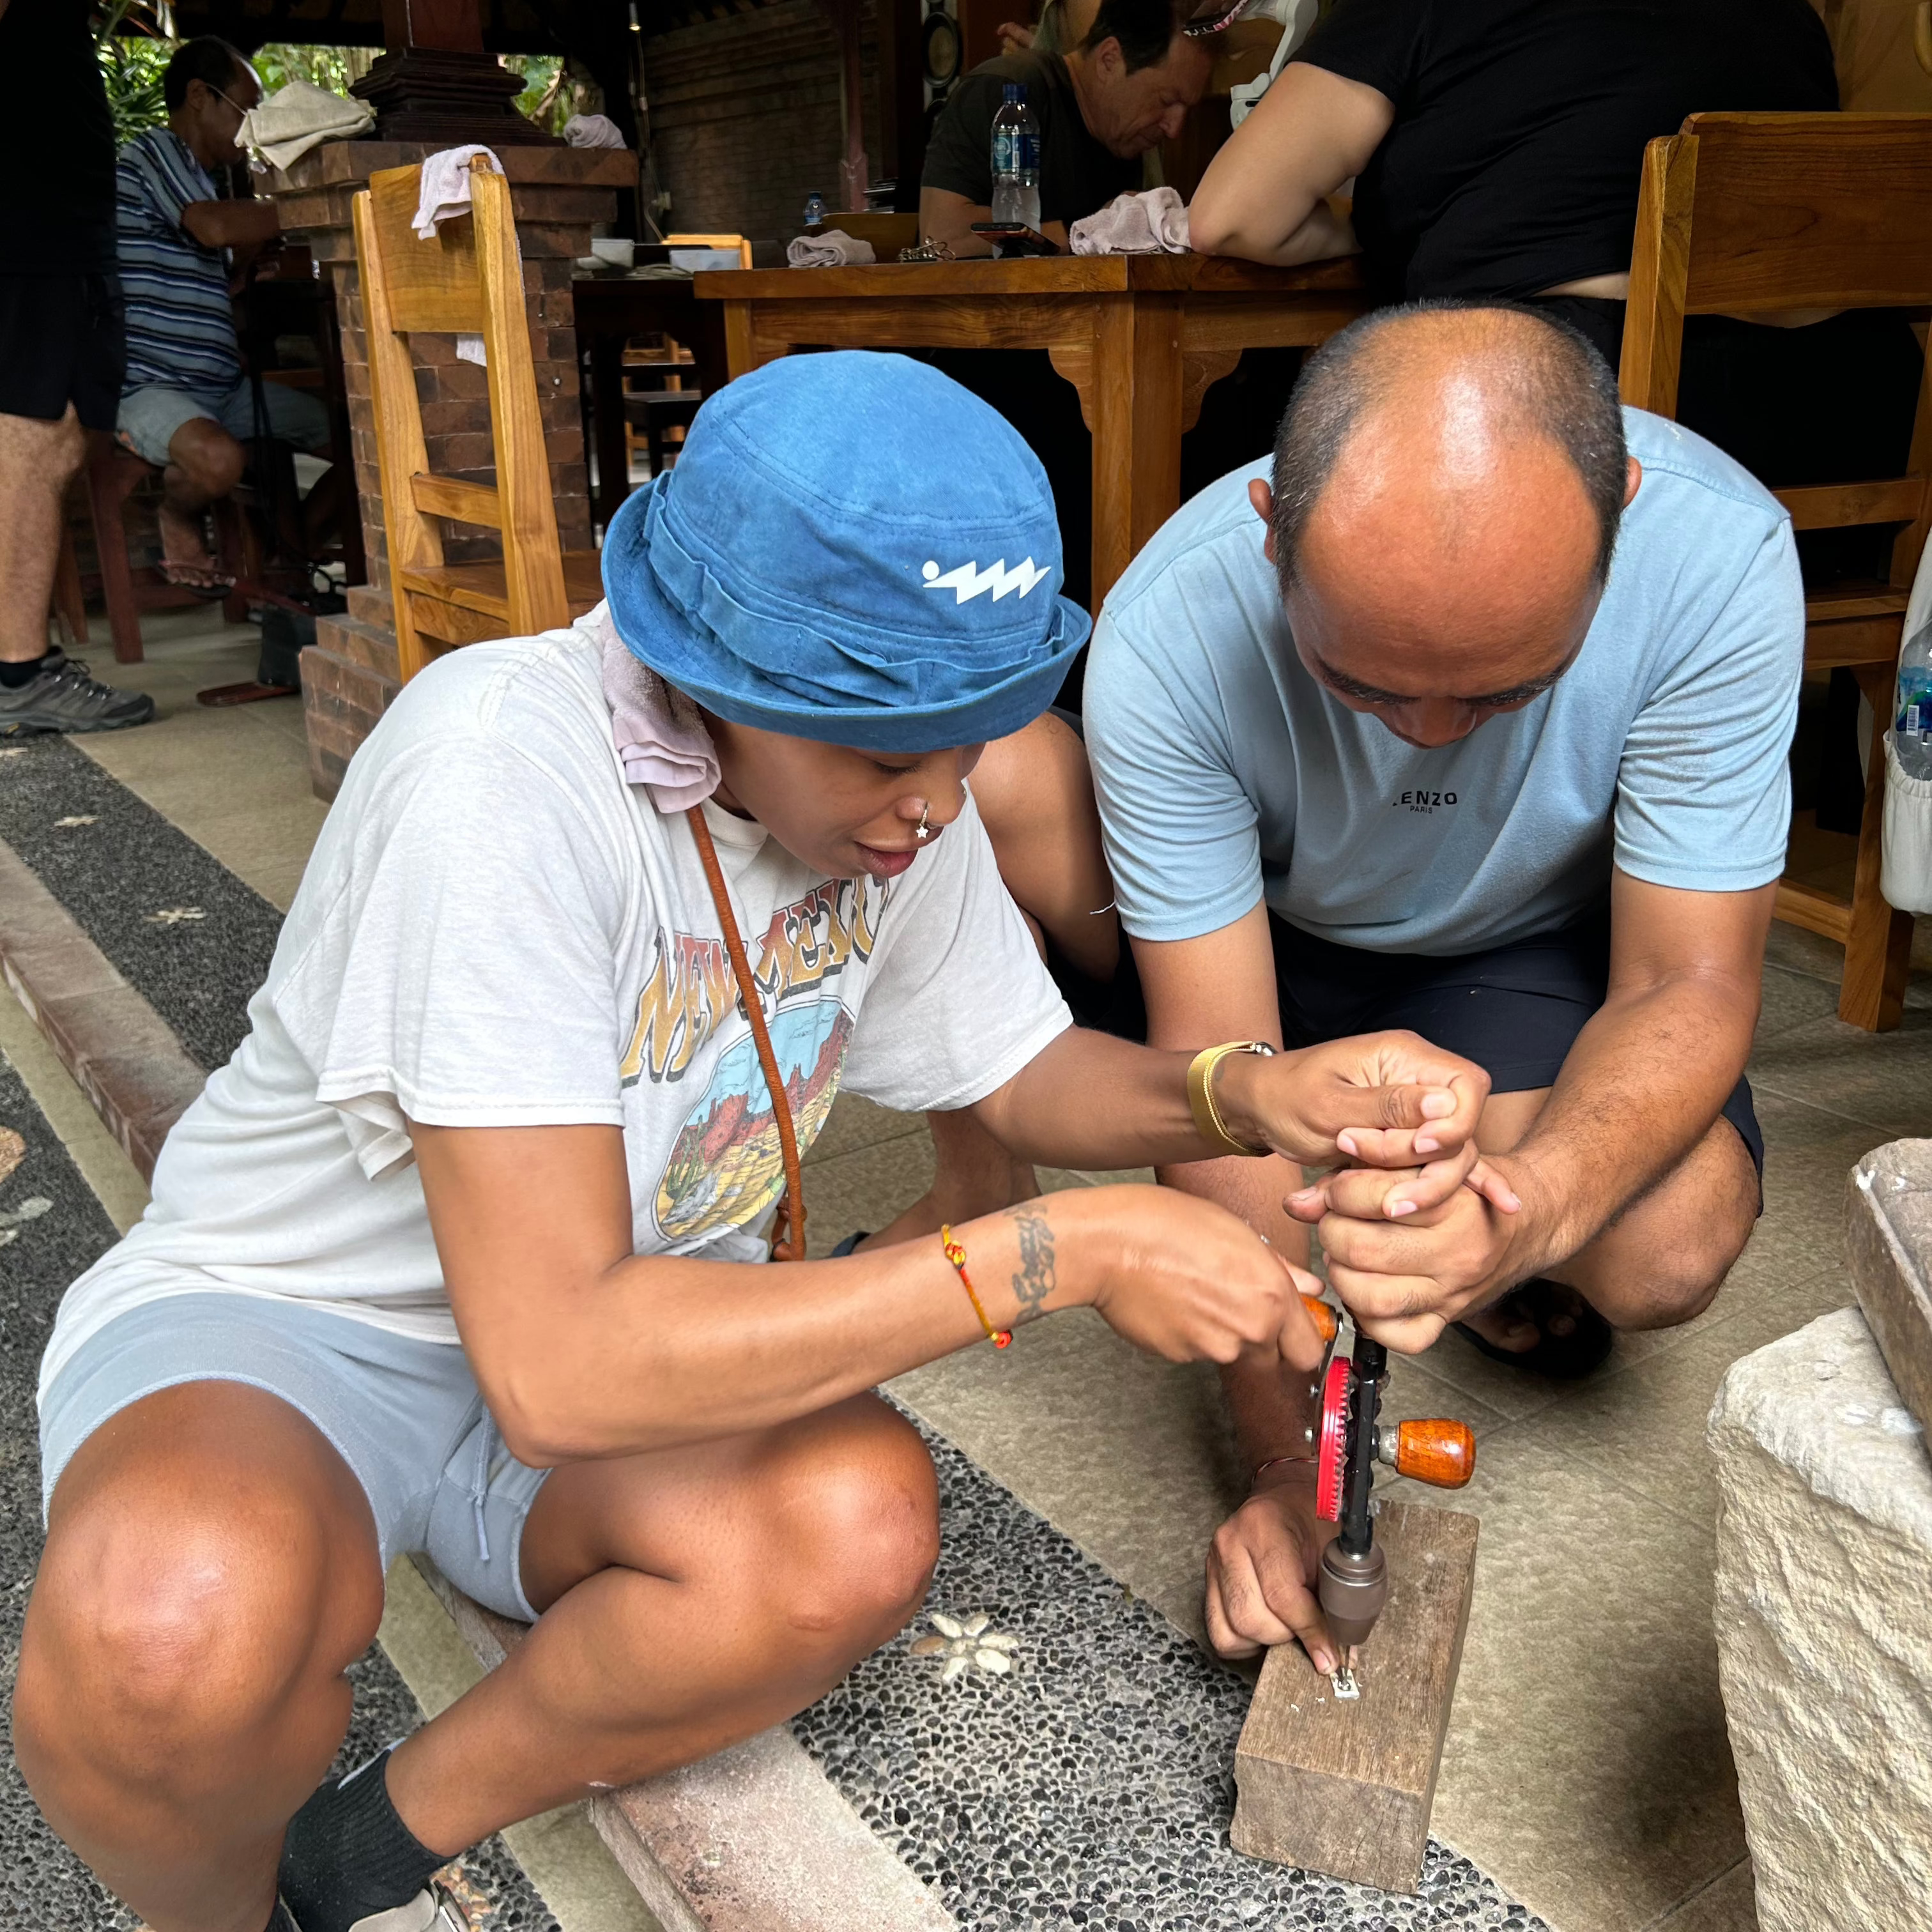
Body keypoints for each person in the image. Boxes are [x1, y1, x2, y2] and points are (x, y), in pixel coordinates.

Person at [13, 353, 1499, 1932]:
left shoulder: (886, 792)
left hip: (598, 1369)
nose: (934, 810)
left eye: (971, 743)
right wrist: (1066, 1249)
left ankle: (367, 1847)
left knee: (847, 1528)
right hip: (306, 1331)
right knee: (169, 1633)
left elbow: (1021, 1068)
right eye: (882, 759)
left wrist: (1247, 1094)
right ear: (720, 676)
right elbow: (563, 1366)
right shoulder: (500, 779)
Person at [958, 302, 1801, 1656]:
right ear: (1274, 528)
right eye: (1361, 685)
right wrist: (1295, 1472)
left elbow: (1687, 983)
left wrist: (1524, 1215)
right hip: (1260, 948)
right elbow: (1223, 1065)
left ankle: (1472, 1254)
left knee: (1668, 1239)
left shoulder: (1720, 557)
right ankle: (1432, 1249)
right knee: (1007, 789)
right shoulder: (1177, 616)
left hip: (1518, 944)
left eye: (1500, 696)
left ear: (1621, 519)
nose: (1424, 739)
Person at [115, 37, 333, 594]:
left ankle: (294, 554)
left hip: (223, 388)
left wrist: (239, 279)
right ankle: (176, 512)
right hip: (149, 387)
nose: (251, 124)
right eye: (244, 108)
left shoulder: (203, 180)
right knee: (217, 462)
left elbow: (206, 272)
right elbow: (212, 227)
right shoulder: (155, 152)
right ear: (198, 96)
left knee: (360, 437)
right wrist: (311, 207)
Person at [0, 0, 155, 735]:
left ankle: (16, 664)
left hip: (50, 215)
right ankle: (17, 672)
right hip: (29, 219)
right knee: (34, 428)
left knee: (50, 430)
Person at [920, 0, 1212, 255]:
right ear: (1109, 60)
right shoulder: (1004, 91)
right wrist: (1089, 231)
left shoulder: (1125, 136)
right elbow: (944, 236)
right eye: (1166, 100)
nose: (1174, 129)